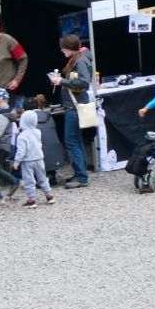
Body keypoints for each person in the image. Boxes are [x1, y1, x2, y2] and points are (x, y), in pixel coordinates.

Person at [50, 34, 94, 189]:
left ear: (69, 48)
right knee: (77, 141)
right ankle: (81, 174)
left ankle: (81, 177)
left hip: (74, 107)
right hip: (75, 106)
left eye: (63, 48)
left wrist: (62, 81)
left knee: (71, 141)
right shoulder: (81, 58)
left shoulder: (80, 61)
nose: (62, 50)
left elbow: (84, 82)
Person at [13, 109, 55, 208]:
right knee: (42, 177)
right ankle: (49, 195)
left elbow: (21, 151)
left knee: (29, 180)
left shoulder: (21, 136)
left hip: (27, 161)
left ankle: (31, 200)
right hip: (39, 158)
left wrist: (16, 162)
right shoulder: (37, 132)